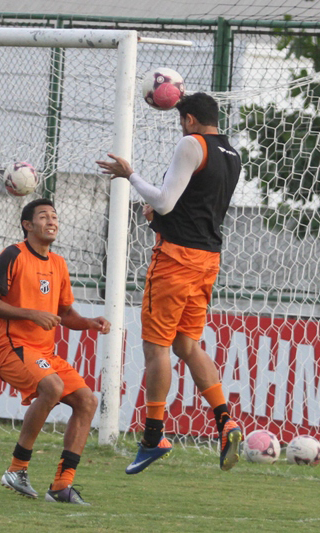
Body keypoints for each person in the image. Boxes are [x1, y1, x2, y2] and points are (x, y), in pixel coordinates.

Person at [96, 92, 243, 473]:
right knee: (187, 345)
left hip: (176, 260)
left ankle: (153, 435)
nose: (180, 127)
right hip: (207, 259)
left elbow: (164, 201)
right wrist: (158, 219)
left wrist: (131, 176)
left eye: (181, 121)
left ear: (191, 119)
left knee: (156, 347)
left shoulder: (191, 144)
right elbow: (190, 208)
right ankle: (225, 419)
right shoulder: (231, 154)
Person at [0, 198, 111, 505]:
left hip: (43, 352)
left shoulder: (58, 264)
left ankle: (62, 486)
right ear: (27, 225)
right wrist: (30, 314)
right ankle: (16, 469)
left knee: (87, 401)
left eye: (54, 216)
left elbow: (65, 313)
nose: (52, 221)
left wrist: (89, 322)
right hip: (11, 348)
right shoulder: (13, 255)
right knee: (52, 386)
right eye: (43, 216)